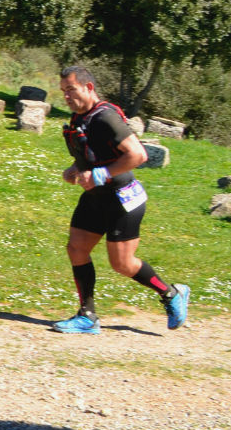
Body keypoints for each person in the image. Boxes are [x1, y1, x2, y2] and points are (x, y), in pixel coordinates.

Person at [51, 65, 189, 334]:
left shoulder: (106, 118)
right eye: (63, 91)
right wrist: (76, 169)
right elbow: (94, 153)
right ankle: (87, 317)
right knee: (77, 248)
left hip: (122, 199)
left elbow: (138, 155)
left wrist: (99, 175)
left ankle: (172, 294)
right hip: (95, 197)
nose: (67, 96)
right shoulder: (80, 118)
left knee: (122, 264)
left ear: (89, 88)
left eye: (71, 89)